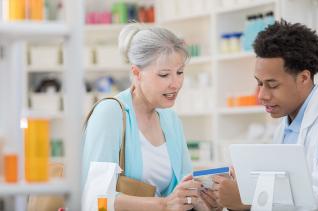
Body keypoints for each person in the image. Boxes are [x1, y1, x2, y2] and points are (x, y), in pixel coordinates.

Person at [82, 23, 218, 211]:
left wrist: (206, 202)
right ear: (137, 73)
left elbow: (183, 189)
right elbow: (95, 199)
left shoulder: (171, 121)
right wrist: (164, 205)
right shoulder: (109, 113)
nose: (175, 84)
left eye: (180, 73)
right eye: (164, 75)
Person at [211, 20, 318, 210]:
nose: (262, 96)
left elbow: (316, 200)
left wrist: (249, 201)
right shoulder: (286, 126)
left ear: (303, 78)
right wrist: (246, 185)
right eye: (259, 83)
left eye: (272, 85)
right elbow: (284, 190)